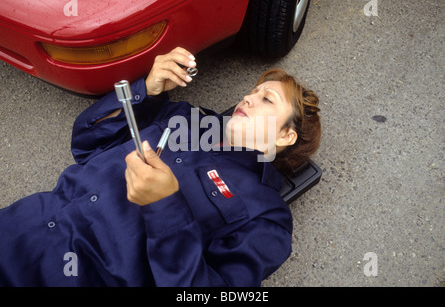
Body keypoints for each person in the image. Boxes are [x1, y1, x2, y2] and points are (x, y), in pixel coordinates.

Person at [0, 47, 321, 286]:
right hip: (22, 225)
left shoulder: (268, 219)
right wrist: (146, 90)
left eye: (267, 100)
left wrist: (165, 208)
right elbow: (85, 141)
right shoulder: (183, 117)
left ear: (285, 135)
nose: (248, 98)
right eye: (252, 91)